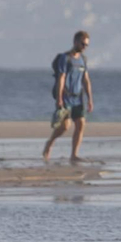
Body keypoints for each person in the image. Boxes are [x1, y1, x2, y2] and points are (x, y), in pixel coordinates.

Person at [42, 30, 93, 163]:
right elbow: (61, 78)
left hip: (78, 97)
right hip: (66, 97)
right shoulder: (65, 58)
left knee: (81, 123)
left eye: (86, 45)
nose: (84, 47)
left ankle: (74, 155)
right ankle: (50, 143)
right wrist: (59, 98)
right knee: (65, 126)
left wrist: (90, 99)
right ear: (75, 42)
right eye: (82, 44)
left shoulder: (83, 60)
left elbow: (86, 79)